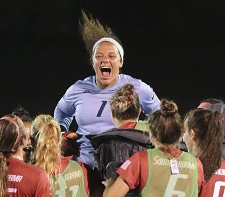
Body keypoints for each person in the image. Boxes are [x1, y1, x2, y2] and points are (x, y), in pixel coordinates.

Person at [54, 10, 159, 167]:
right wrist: (61, 131)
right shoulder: (78, 88)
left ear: (120, 62)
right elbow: (61, 112)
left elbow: (159, 114)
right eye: (99, 56)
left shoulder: (135, 87)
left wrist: (150, 141)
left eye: (111, 56)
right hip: (85, 166)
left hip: (123, 168)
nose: (105, 60)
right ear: (93, 62)